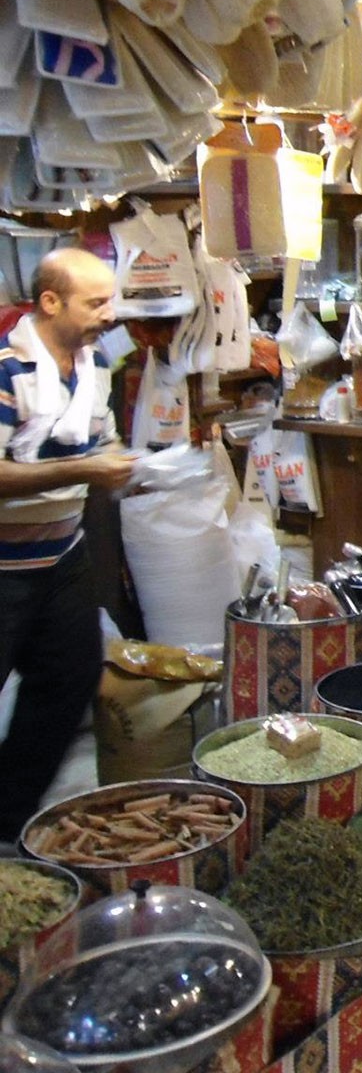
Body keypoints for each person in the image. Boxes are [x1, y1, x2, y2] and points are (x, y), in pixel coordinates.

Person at [0, 250, 132, 847]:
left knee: (68, 681)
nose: (111, 314)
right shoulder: (7, 370)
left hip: (61, 557)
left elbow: (103, 442)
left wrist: (135, 467)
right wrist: (84, 469)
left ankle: (7, 822)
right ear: (49, 302)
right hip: (4, 568)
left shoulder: (93, 363)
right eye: (96, 303)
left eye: (111, 300)